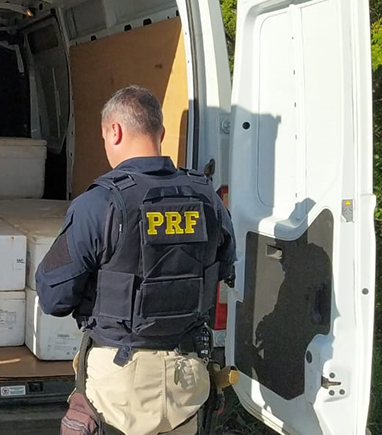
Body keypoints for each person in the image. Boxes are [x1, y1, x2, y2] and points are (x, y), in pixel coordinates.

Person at [36, 85, 236, 435]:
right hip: (187, 380)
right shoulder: (207, 198)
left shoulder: (99, 204)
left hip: (119, 386)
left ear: (114, 131)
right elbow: (224, 269)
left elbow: (54, 297)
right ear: (161, 133)